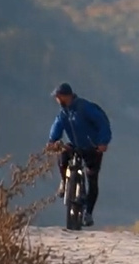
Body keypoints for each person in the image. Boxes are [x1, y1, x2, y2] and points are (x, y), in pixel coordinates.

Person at [45, 82, 111, 227]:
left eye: (58, 97)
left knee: (92, 178)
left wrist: (103, 142)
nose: (57, 100)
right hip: (74, 145)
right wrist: (52, 140)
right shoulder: (64, 112)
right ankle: (65, 181)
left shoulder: (85, 107)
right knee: (62, 157)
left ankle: (88, 213)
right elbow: (57, 126)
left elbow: (102, 123)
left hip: (92, 147)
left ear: (64, 96)